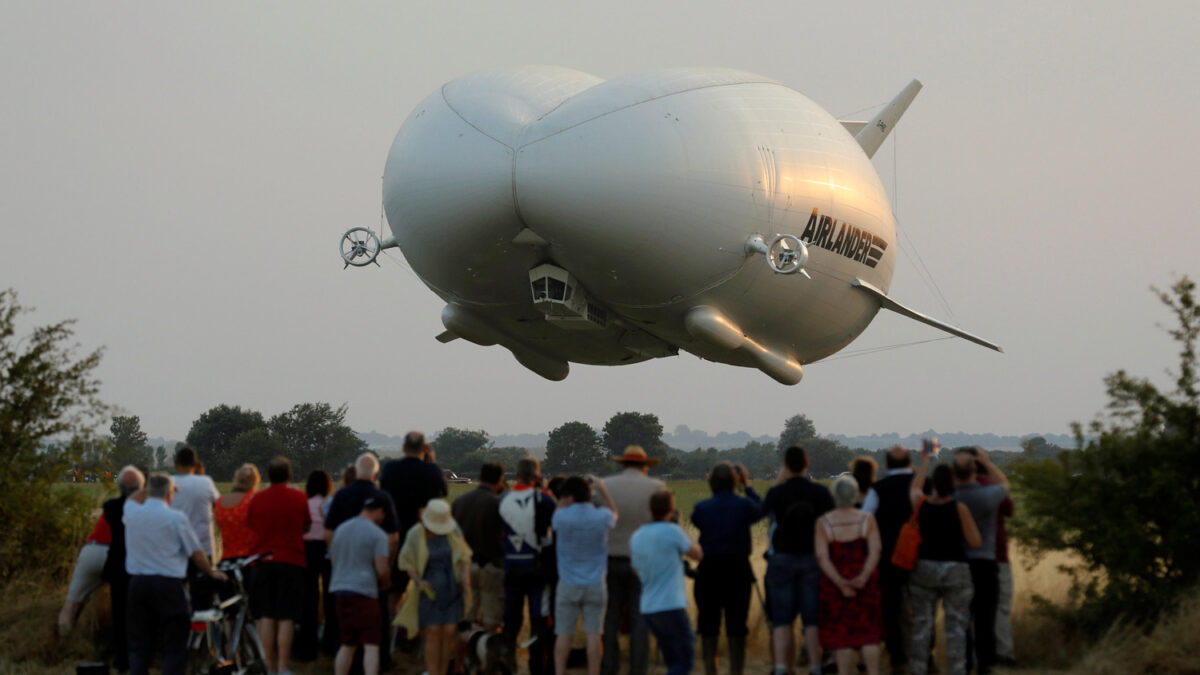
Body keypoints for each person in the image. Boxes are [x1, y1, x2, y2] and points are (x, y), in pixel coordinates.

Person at [123, 473, 227, 675]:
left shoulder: (132, 511)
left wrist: (150, 487)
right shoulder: (176, 518)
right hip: (168, 586)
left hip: (138, 584)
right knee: (175, 645)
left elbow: (130, 499)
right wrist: (211, 572)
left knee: (139, 646)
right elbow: (196, 553)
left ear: (149, 492)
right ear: (170, 494)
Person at [907, 444, 981, 675]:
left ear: (934, 483)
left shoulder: (922, 505)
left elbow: (915, 490)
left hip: (924, 569)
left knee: (921, 626)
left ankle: (918, 669)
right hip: (955, 570)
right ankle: (958, 670)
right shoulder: (959, 509)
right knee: (956, 627)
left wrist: (924, 463)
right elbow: (975, 542)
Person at [762, 445, 835, 675]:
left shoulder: (777, 493)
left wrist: (779, 479)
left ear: (785, 465)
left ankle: (782, 667)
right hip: (812, 557)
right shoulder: (821, 493)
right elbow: (829, 525)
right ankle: (815, 666)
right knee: (811, 618)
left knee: (782, 619)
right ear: (807, 464)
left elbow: (766, 510)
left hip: (782, 557)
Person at [325, 453, 401, 670]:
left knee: (346, 641)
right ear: (375, 473)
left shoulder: (341, 497)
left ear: (356, 471)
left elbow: (328, 535)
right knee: (372, 641)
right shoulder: (382, 500)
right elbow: (392, 539)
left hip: (341, 581)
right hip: (368, 584)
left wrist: (338, 563)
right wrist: (385, 571)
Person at [690, 462, 764, 675]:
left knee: (708, 625)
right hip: (738, 569)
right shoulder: (743, 506)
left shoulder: (701, 508)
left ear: (711, 482)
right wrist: (747, 485)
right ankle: (736, 670)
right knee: (737, 625)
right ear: (735, 481)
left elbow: (697, 520)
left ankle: (710, 670)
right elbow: (762, 508)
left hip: (709, 570)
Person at [861, 446, 928, 673]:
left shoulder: (878, 489)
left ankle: (898, 657)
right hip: (922, 556)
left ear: (886, 465)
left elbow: (866, 521)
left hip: (888, 558)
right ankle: (926, 657)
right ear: (910, 463)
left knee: (890, 607)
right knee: (923, 609)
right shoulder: (925, 485)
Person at [601, 446, 665, 675]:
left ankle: (609, 667)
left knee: (611, 617)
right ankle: (638, 669)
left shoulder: (606, 486)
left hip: (612, 559)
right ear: (645, 466)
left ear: (623, 464)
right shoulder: (656, 488)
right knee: (640, 618)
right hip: (643, 562)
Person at [247, 456, 312, 675]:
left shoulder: (257, 499)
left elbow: (251, 524)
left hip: (263, 560)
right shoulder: (299, 497)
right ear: (289, 476)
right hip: (291, 561)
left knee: (265, 615)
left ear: (267, 476)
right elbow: (306, 525)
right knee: (286, 616)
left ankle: (268, 666)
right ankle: (283, 667)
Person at [815, 477, 883, 675]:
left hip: (835, 585)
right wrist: (863, 578)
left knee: (841, 634)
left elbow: (822, 557)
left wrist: (840, 582)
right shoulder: (867, 519)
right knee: (869, 634)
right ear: (855, 495)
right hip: (865, 583)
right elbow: (875, 550)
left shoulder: (824, 522)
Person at [630, 490, 703, 675]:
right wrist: (680, 527)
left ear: (650, 509)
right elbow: (698, 554)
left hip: (648, 607)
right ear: (671, 509)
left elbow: (636, 569)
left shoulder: (638, 536)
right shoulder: (673, 531)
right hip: (670, 605)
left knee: (672, 658)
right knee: (684, 659)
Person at [396, 499, 472, 675]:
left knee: (449, 632)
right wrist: (418, 581)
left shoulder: (453, 531)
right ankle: (433, 671)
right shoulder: (416, 533)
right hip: (429, 591)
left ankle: (443, 670)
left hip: (452, 590)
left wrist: (464, 575)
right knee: (432, 632)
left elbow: (464, 555)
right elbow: (407, 562)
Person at [950, 447, 1009, 675]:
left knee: (961, 617)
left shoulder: (952, 497)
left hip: (960, 563)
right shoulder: (987, 496)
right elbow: (1004, 485)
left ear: (954, 473)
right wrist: (988, 462)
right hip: (985, 561)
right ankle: (986, 664)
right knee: (986, 616)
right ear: (975, 469)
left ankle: (964, 663)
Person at [552, 475, 618, 675]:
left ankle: (560, 671)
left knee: (563, 634)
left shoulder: (562, 516)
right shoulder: (601, 517)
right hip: (595, 584)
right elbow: (615, 514)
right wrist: (604, 490)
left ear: (568, 496)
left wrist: (562, 500)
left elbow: (555, 518)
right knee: (593, 635)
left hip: (568, 584)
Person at [499, 457, 557, 675]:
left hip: (512, 567)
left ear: (516, 477)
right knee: (538, 622)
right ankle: (537, 667)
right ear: (537, 477)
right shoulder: (545, 500)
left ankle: (507, 666)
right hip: (538, 568)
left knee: (511, 621)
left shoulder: (503, 500)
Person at [330, 496, 392, 675]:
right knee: (371, 644)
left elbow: (335, 560)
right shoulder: (377, 534)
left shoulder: (341, 529)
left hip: (340, 591)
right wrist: (385, 583)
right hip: (364, 593)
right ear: (379, 511)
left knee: (347, 643)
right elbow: (381, 569)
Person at [451, 461, 507, 631]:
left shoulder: (459, 502)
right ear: (499, 479)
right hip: (490, 566)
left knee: (465, 620)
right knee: (491, 617)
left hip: (464, 568)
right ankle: (486, 652)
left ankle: (461, 657)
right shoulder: (496, 504)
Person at [102, 465, 145, 672]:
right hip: (138, 567)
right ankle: (140, 659)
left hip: (117, 567)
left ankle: (122, 661)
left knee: (119, 616)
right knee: (141, 617)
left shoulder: (110, 507)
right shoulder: (142, 509)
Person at [170, 445, 220, 611]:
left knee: (175, 600)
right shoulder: (206, 482)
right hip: (203, 548)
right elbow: (217, 506)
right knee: (203, 602)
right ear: (196, 463)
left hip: (175, 549)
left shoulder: (169, 484)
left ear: (175, 462)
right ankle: (203, 635)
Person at [380, 431, 448, 539]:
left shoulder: (389, 468)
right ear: (425, 448)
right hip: (423, 532)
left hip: (395, 530)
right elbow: (444, 492)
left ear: (404, 447)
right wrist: (431, 461)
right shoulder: (432, 470)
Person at [58, 511, 113, 635]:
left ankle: (62, 643)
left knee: (71, 606)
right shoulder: (146, 507)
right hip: (118, 555)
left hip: (91, 551)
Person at [299, 469, 333, 662]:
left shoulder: (305, 502)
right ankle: (329, 644)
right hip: (326, 549)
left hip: (307, 548)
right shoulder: (329, 504)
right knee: (329, 596)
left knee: (309, 598)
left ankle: (307, 647)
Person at [214, 464, 260, 563]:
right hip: (250, 560)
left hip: (226, 560)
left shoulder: (220, 502)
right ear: (254, 482)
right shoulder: (253, 500)